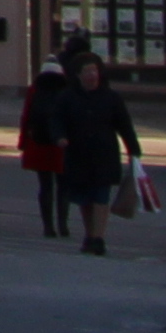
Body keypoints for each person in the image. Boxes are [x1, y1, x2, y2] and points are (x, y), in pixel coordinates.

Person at [37, 46, 143, 253]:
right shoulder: (67, 97)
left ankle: (98, 238)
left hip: (104, 154)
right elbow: (57, 120)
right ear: (78, 75)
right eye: (87, 71)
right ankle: (89, 234)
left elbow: (124, 125)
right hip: (78, 155)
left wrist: (134, 150)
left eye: (95, 70)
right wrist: (60, 137)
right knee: (85, 199)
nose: (92, 75)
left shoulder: (111, 97)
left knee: (101, 196)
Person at [19, 48, 77, 237]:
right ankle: (63, 224)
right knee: (64, 186)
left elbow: (26, 116)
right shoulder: (67, 89)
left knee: (45, 186)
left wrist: (23, 143)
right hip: (61, 144)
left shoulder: (34, 89)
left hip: (39, 142)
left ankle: (48, 226)